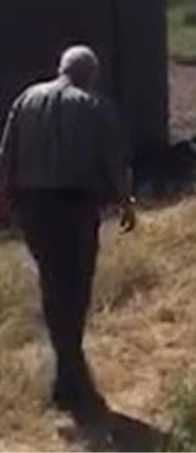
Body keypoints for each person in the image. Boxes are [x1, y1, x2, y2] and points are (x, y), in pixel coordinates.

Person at [0, 45, 137, 420]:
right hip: (75, 208)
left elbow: (6, 153)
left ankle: (67, 374)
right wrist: (125, 202)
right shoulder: (96, 107)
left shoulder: (26, 98)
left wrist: (4, 202)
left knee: (51, 282)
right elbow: (113, 160)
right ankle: (71, 375)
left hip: (33, 209)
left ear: (61, 68)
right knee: (76, 287)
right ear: (90, 74)